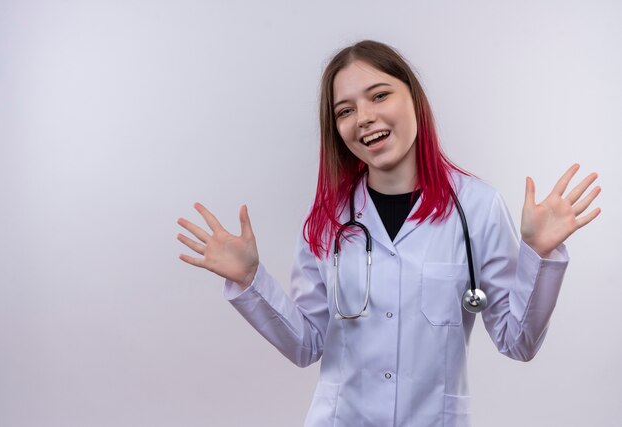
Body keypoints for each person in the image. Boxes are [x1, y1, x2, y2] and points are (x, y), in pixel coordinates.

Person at [176, 40, 601, 427]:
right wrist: (249, 283)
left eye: (379, 95)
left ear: (413, 98)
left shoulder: (477, 208)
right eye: (345, 110)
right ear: (337, 130)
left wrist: (540, 255)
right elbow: (306, 344)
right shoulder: (329, 219)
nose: (365, 118)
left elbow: (518, 342)